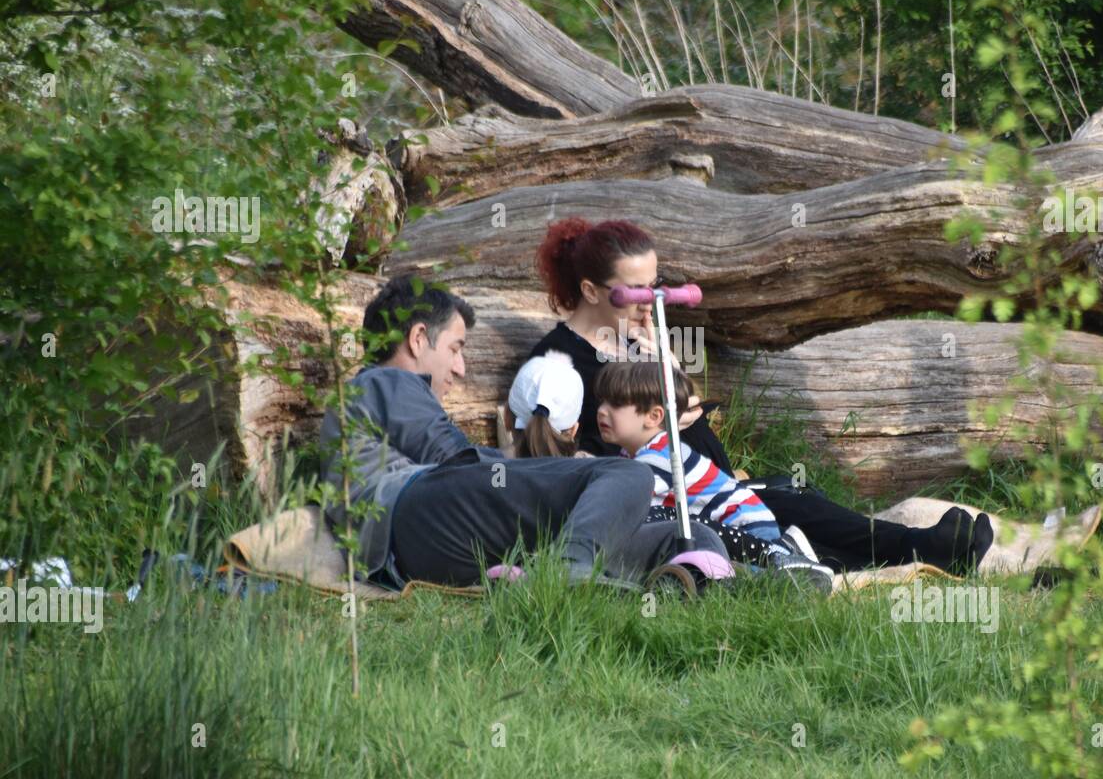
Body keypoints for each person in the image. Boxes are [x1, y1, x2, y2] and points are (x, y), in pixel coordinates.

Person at [523, 216, 995, 575]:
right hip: (663, 509)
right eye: (637, 292)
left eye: (655, 288)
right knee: (790, 509)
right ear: (590, 289)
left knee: (794, 498)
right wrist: (669, 416)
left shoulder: (637, 343)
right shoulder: (559, 365)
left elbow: (692, 434)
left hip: (708, 487)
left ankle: (917, 547)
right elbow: (588, 464)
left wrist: (668, 369)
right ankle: (921, 549)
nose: (651, 303)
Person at [318, 275, 732, 591]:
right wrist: (562, 471)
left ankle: (699, 582)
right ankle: (570, 574)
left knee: (689, 535)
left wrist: (556, 475)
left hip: (439, 539)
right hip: (415, 513)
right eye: (456, 348)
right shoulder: (382, 382)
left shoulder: (375, 394)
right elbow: (453, 457)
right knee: (628, 475)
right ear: (418, 337)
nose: (460, 369)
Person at [594, 360, 835, 593]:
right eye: (601, 401)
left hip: (746, 528)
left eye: (614, 404)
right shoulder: (634, 455)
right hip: (721, 529)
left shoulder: (663, 455)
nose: (601, 411)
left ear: (654, 416)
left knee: (746, 579)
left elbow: (626, 502)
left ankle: (787, 559)